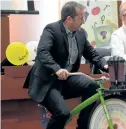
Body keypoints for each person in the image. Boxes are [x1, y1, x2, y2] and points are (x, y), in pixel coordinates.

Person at [23, 1, 108, 129]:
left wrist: (106, 66)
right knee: (62, 114)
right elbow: (43, 52)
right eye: (81, 18)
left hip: (67, 78)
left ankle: (83, 126)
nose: (83, 21)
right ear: (69, 19)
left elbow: (92, 54)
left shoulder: (81, 34)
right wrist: (57, 69)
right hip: (47, 81)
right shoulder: (51, 29)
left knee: (93, 86)